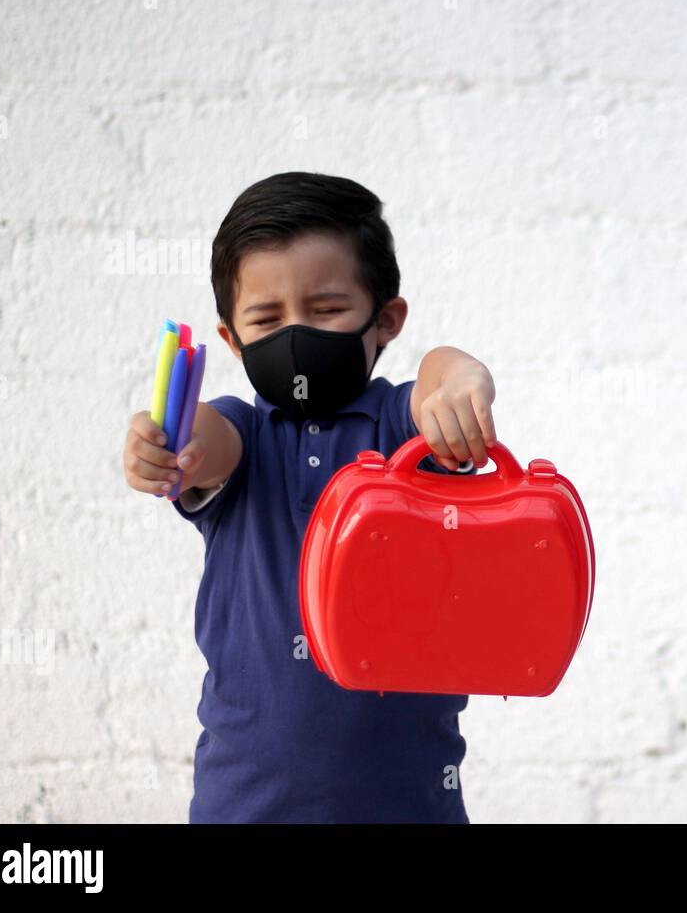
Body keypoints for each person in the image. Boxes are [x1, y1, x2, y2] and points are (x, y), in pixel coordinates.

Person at [121, 171, 496, 822]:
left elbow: (439, 371)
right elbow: (206, 442)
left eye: (326, 310)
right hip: (243, 807)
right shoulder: (244, 433)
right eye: (266, 319)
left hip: (409, 806)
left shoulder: (405, 428)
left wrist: (462, 379)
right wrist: (167, 442)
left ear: (385, 320)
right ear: (232, 340)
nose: (296, 334)